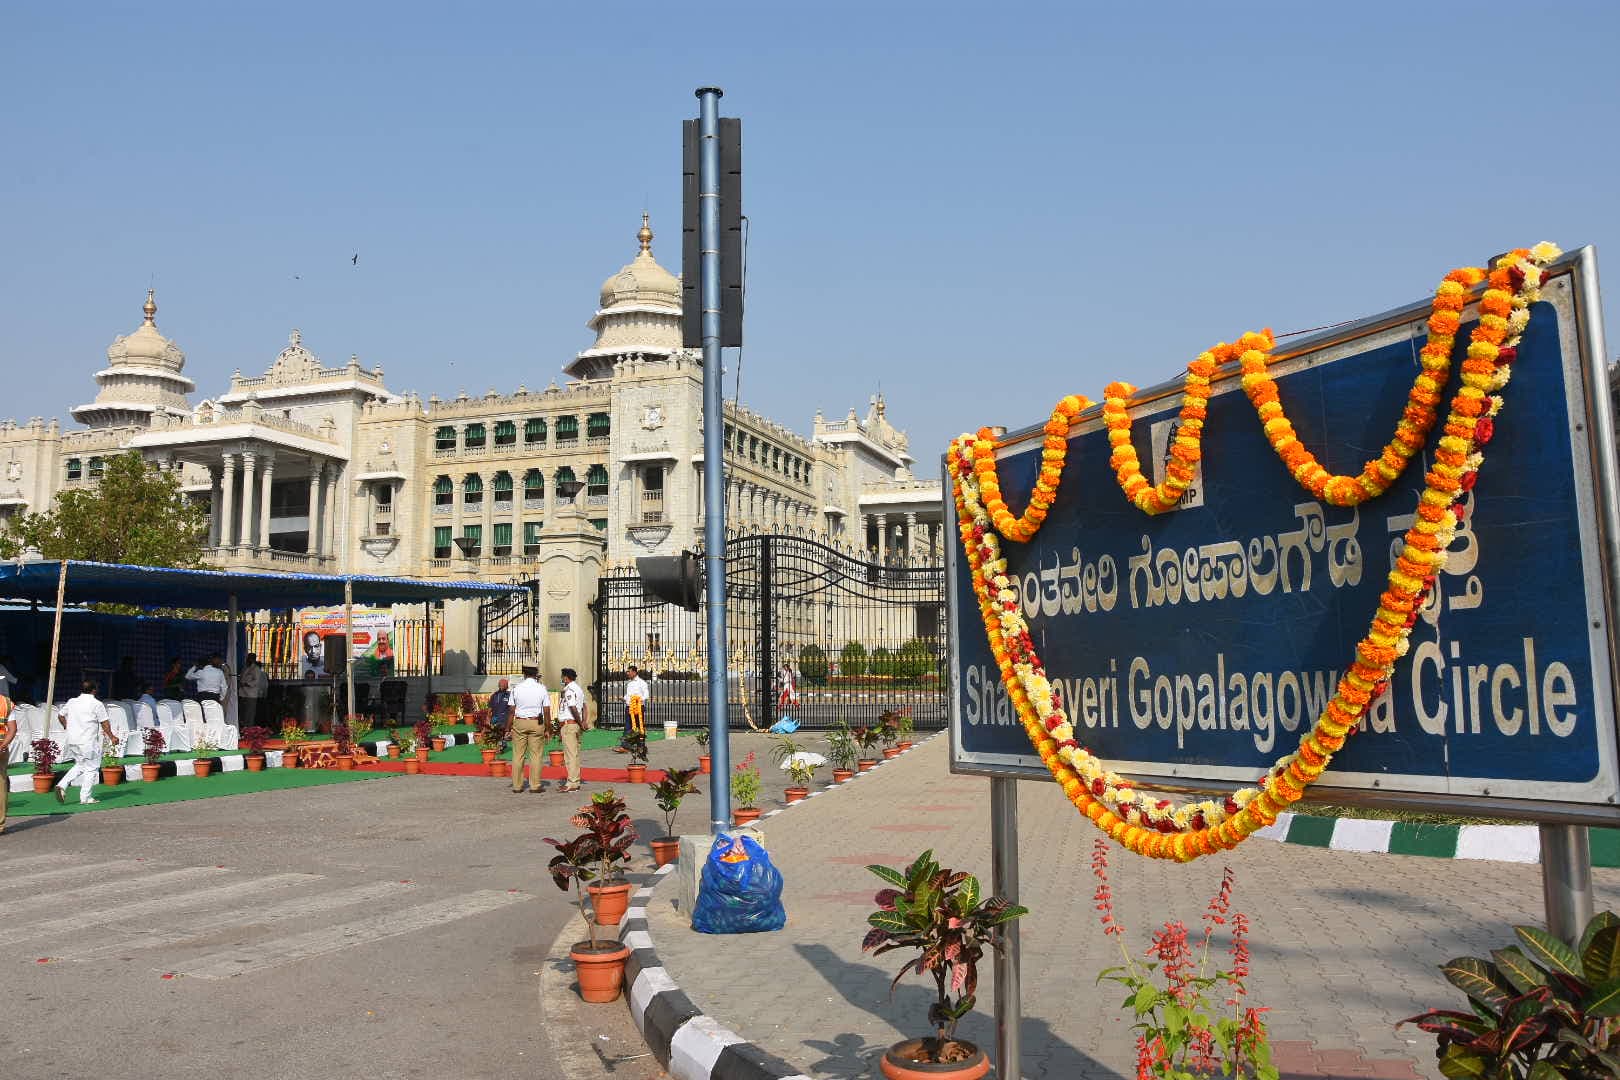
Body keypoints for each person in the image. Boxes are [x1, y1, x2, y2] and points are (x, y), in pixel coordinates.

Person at [55, 679, 115, 806]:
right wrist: (112, 736)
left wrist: (67, 726)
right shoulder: (96, 704)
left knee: (81, 765)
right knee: (92, 768)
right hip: (87, 741)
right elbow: (104, 722)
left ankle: (62, 785)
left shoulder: (72, 701)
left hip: (72, 741)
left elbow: (60, 715)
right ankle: (85, 797)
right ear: (94, 690)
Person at [508, 665, 551, 794]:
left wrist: (507, 728)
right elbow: (547, 711)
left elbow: (511, 710)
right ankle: (535, 785)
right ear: (536, 673)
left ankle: (517, 786)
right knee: (536, 755)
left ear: (524, 674)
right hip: (536, 722)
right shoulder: (541, 688)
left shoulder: (516, 688)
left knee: (518, 755)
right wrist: (548, 728)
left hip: (520, 721)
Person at [556, 668, 588, 793]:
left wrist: (581, 722)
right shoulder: (578, 689)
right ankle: (575, 780)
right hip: (575, 724)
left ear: (565, 678)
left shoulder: (569, 689)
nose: (561, 679)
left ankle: (572, 782)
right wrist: (584, 721)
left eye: (562, 677)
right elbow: (585, 706)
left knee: (570, 755)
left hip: (570, 724)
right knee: (574, 753)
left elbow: (572, 707)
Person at [617, 664, 649, 752]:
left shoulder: (642, 683)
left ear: (634, 672)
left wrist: (637, 700)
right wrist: (624, 698)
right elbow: (629, 695)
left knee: (639, 727)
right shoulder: (629, 683)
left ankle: (641, 746)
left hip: (638, 708)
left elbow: (646, 695)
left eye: (629, 672)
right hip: (629, 708)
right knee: (627, 727)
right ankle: (625, 746)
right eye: (627, 672)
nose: (628, 673)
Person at [239, 653, 268, 729]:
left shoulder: (256, 669)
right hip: (242, 693)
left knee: (250, 713)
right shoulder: (245, 667)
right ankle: (243, 728)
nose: (248, 659)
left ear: (253, 659)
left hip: (251, 694)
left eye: (250, 658)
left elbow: (256, 681)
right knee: (243, 712)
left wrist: (246, 684)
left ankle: (249, 730)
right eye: (248, 658)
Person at [0, 688, 14, 833]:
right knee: (1, 784)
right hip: (1, 749)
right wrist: (3, 745)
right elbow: (13, 729)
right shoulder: (6, 702)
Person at [488, 678, 511, 747]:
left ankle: (501, 747)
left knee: (502, 737)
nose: (502, 685)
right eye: (501, 684)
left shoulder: (510, 695)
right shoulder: (494, 695)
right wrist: (488, 719)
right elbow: (489, 709)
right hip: (495, 719)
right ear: (498, 685)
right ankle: (497, 747)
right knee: (494, 737)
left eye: (504, 684)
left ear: (507, 686)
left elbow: (512, 710)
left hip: (504, 720)